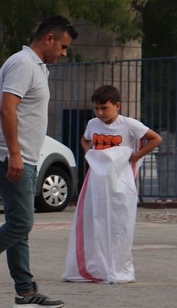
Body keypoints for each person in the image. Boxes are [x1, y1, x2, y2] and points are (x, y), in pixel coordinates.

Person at [0, 16, 78, 308]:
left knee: (18, 224)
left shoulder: (36, 67)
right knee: (22, 222)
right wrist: (16, 154)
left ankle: (25, 292)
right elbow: (8, 110)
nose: (64, 53)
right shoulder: (23, 64)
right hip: (10, 157)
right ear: (49, 38)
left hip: (21, 157)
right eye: (63, 46)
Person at [64, 85, 161, 284]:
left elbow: (155, 139)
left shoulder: (128, 124)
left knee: (119, 225)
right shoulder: (93, 124)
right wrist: (89, 153)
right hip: (96, 182)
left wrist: (134, 157)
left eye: (104, 108)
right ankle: (95, 267)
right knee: (93, 223)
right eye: (96, 108)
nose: (100, 113)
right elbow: (85, 140)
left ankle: (118, 268)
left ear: (117, 106)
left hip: (119, 183)